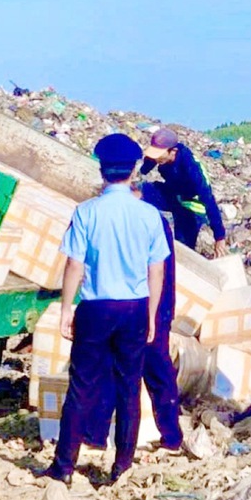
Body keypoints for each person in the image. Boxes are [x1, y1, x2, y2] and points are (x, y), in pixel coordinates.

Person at [37, 134, 170, 486]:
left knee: (81, 387)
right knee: (129, 387)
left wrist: (66, 308)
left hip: (96, 307)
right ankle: (122, 465)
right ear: (134, 171)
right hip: (135, 308)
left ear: (101, 169)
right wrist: (153, 314)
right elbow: (156, 269)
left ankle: (64, 466)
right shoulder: (148, 215)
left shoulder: (86, 212)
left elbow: (74, 265)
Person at [85, 183, 183, 453]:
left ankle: (169, 437)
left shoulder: (146, 220)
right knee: (145, 372)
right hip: (146, 307)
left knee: (149, 372)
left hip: (144, 307)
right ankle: (99, 434)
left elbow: (156, 271)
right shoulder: (149, 219)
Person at [139, 127, 227, 258]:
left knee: (182, 253)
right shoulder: (162, 155)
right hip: (174, 194)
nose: (156, 159)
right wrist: (139, 172)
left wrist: (219, 237)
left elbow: (209, 201)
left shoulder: (191, 169)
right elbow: (147, 165)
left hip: (192, 206)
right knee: (138, 190)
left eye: (158, 155)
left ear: (173, 151)